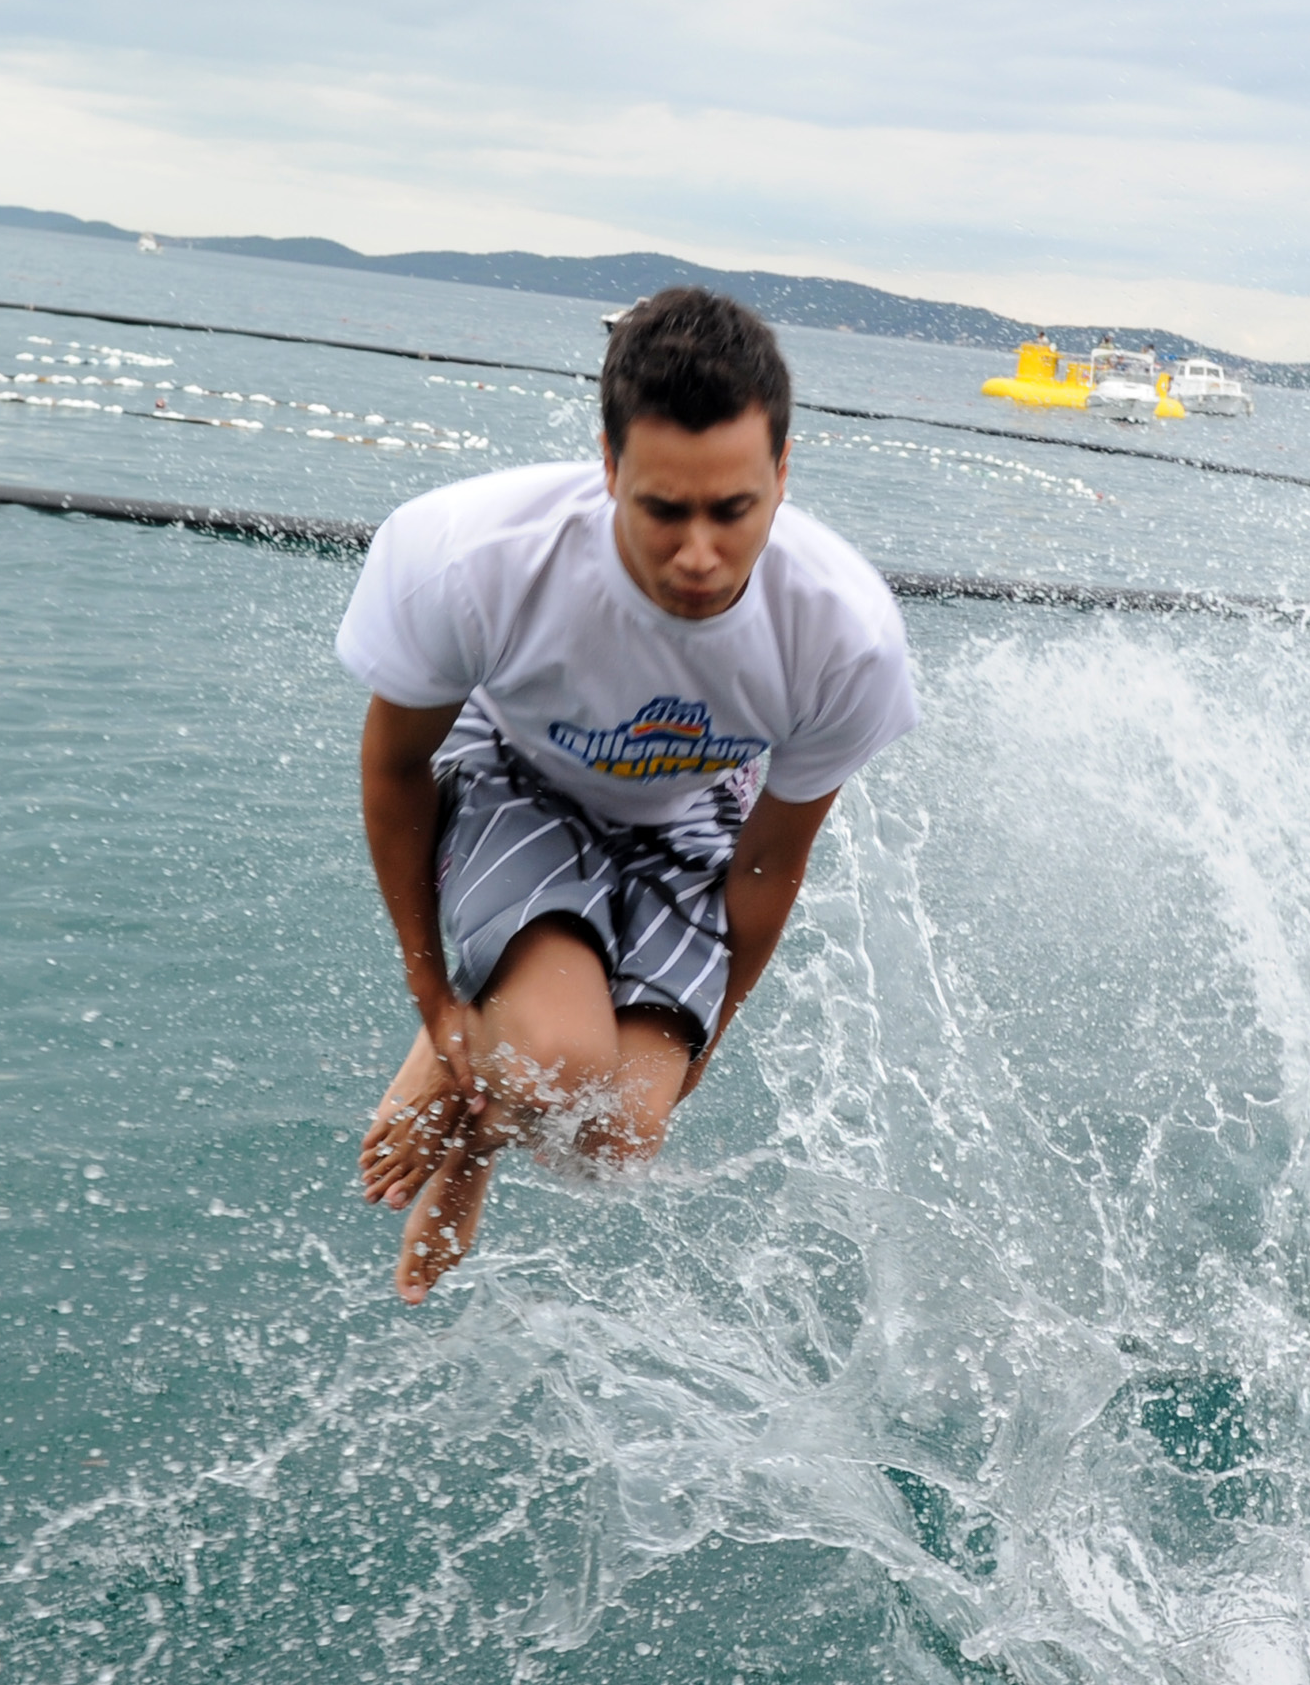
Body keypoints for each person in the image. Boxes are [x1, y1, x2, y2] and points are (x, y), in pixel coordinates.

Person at [337, 286, 917, 1303]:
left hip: (695, 815)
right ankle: (475, 1078)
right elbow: (393, 770)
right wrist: (432, 997)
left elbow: (772, 857)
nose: (699, 553)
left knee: (616, 1142)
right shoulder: (475, 559)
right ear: (607, 467)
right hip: (523, 778)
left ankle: (483, 1094)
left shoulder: (843, 635)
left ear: (782, 473)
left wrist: (711, 1040)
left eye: (734, 509)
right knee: (554, 1059)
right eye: (663, 509)